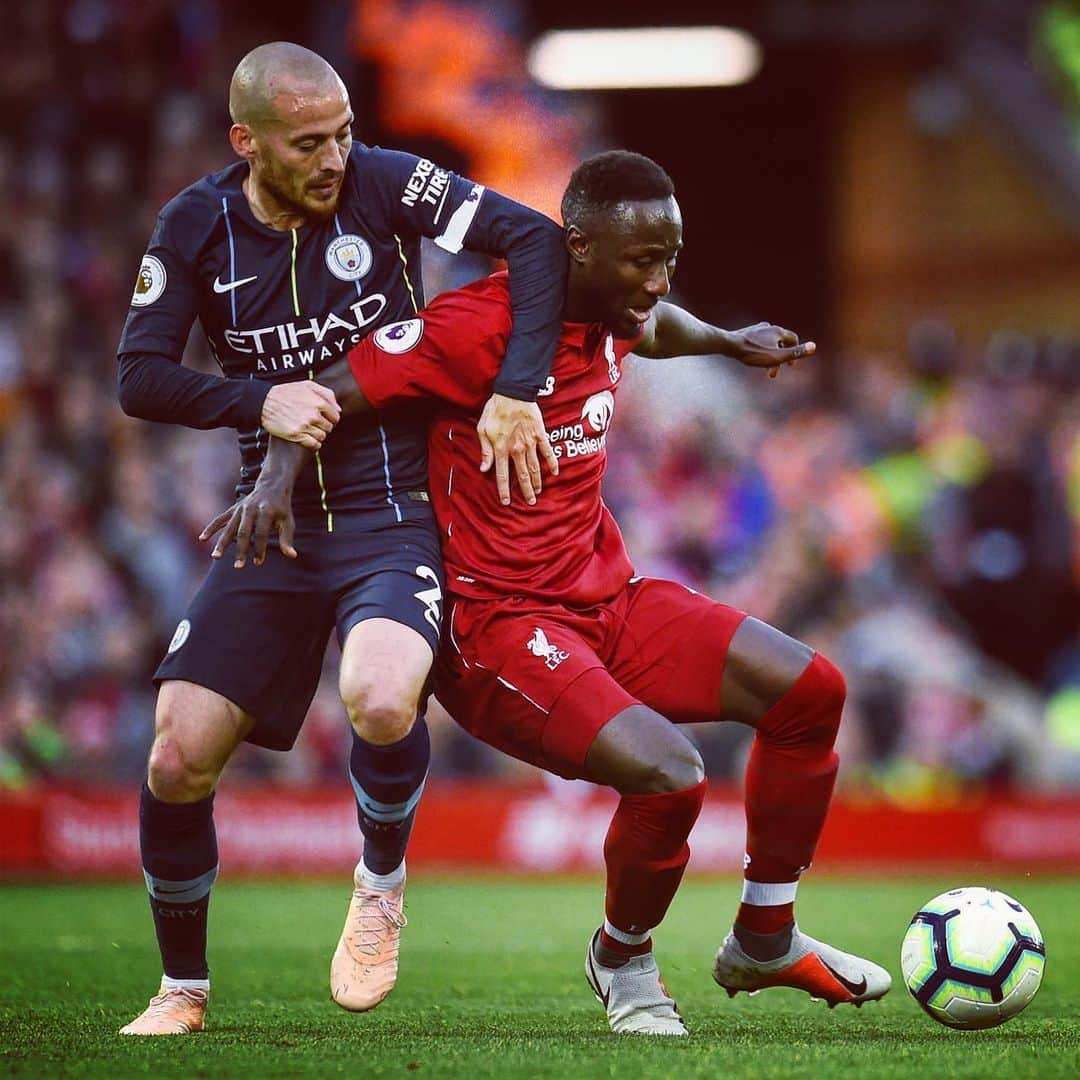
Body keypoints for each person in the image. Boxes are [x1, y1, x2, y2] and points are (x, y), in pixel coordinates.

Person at [206, 151, 892, 1036]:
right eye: (641, 261)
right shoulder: (476, 326)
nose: (658, 280)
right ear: (575, 247)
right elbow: (327, 390)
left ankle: (765, 934)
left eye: (670, 258)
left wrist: (726, 339)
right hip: (499, 628)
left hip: (609, 597)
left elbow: (657, 326)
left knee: (811, 693)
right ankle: (624, 959)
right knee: (669, 777)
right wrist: (270, 482)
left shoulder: (618, 308)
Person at [115, 41, 568, 1036]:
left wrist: (515, 390)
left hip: (391, 511)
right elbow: (138, 376)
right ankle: (180, 992)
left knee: (378, 694)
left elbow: (533, 239)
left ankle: (380, 883)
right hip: (268, 526)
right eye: (310, 143)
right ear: (249, 143)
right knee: (177, 756)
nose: (334, 159)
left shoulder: (384, 182)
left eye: (344, 135)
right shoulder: (196, 225)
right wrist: (257, 399)